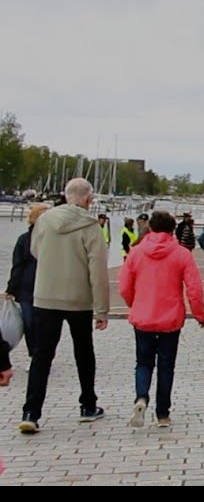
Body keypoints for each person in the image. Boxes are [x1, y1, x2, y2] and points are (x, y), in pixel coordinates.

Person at [19, 178, 110, 435]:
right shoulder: (91, 226)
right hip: (78, 299)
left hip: (46, 297)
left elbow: (36, 250)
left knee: (42, 355)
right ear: (88, 199)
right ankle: (87, 405)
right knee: (84, 352)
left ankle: (31, 412)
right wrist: (101, 309)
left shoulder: (44, 221)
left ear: (65, 195)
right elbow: (98, 270)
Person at [118, 211, 204, 428]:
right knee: (166, 366)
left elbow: (123, 287)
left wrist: (135, 303)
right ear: (172, 230)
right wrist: (199, 314)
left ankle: (141, 397)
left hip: (143, 316)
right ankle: (163, 413)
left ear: (150, 227)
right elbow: (194, 288)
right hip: (170, 318)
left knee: (143, 362)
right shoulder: (182, 254)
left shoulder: (136, 252)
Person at [6, 203, 51, 363]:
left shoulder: (52, 239)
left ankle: (41, 354)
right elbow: (17, 265)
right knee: (30, 322)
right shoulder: (24, 240)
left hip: (45, 287)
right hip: (28, 287)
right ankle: (35, 354)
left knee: (38, 323)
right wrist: (11, 287)